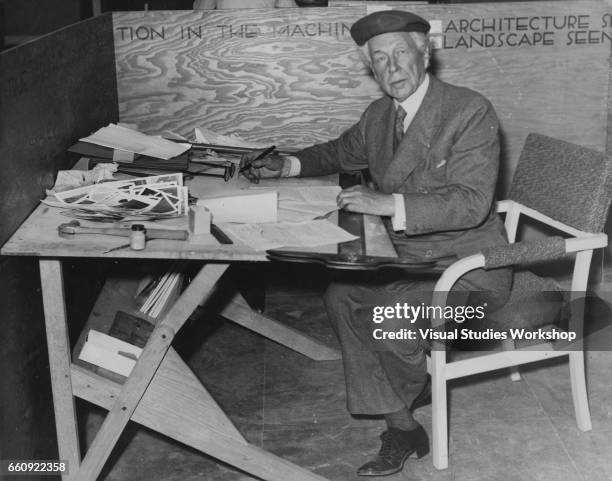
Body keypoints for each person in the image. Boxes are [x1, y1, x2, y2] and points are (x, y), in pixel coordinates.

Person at [240, 10, 512, 477]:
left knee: (387, 316)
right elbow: (338, 152)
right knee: (341, 294)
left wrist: (387, 203)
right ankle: (403, 423)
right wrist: (285, 165)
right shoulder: (380, 115)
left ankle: (406, 390)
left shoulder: (468, 110)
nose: (392, 68)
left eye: (401, 53)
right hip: (413, 260)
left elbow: (471, 204)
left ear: (425, 54)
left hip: (472, 269)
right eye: (379, 59)